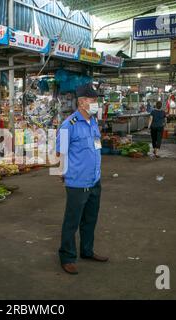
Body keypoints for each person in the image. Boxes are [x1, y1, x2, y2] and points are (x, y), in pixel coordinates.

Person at [56, 83, 108, 276]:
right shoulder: (68, 125)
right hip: (77, 182)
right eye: (93, 100)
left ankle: (87, 251)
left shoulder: (93, 122)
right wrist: (63, 174)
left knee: (90, 219)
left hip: (95, 180)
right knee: (72, 222)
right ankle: (67, 257)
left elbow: (96, 146)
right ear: (82, 102)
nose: (96, 103)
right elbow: (60, 152)